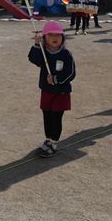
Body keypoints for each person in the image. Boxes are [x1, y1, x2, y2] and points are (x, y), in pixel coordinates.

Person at [28, 20, 76, 157]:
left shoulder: (66, 54)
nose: (55, 38)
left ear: (63, 38)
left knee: (56, 118)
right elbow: (34, 59)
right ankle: (48, 139)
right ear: (44, 38)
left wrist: (56, 79)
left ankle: (53, 144)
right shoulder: (43, 53)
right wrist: (37, 45)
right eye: (51, 35)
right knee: (47, 116)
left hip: (61, 93)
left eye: (58, 35)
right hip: (46, 91)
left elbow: (71, 73)